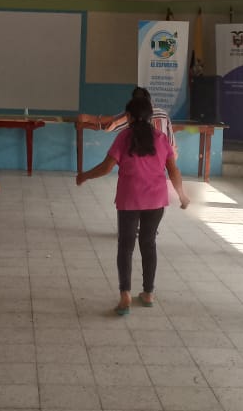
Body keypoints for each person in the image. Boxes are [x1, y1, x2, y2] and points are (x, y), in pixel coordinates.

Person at [76, 96, 190, 315]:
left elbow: (106, 167)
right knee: (148, 244)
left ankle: (125, 295)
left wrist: (85, 176)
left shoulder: (124, 137)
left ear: (128, 116)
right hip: (156, 201)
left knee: (125, 247)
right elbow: (173, 170)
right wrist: (182, 195)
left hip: (129, 199)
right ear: (150, 116)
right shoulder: (160, 138)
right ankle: (148, 293)